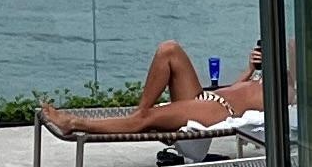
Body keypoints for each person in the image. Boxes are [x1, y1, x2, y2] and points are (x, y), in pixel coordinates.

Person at [39, 43, 262, 142]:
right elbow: (235, 89)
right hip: (211, 98)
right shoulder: (266, 76)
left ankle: (76, 123)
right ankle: (138, 114)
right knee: (169, 50)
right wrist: (250, 69)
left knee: (148, 118)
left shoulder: (288, 90)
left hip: (221, 111)